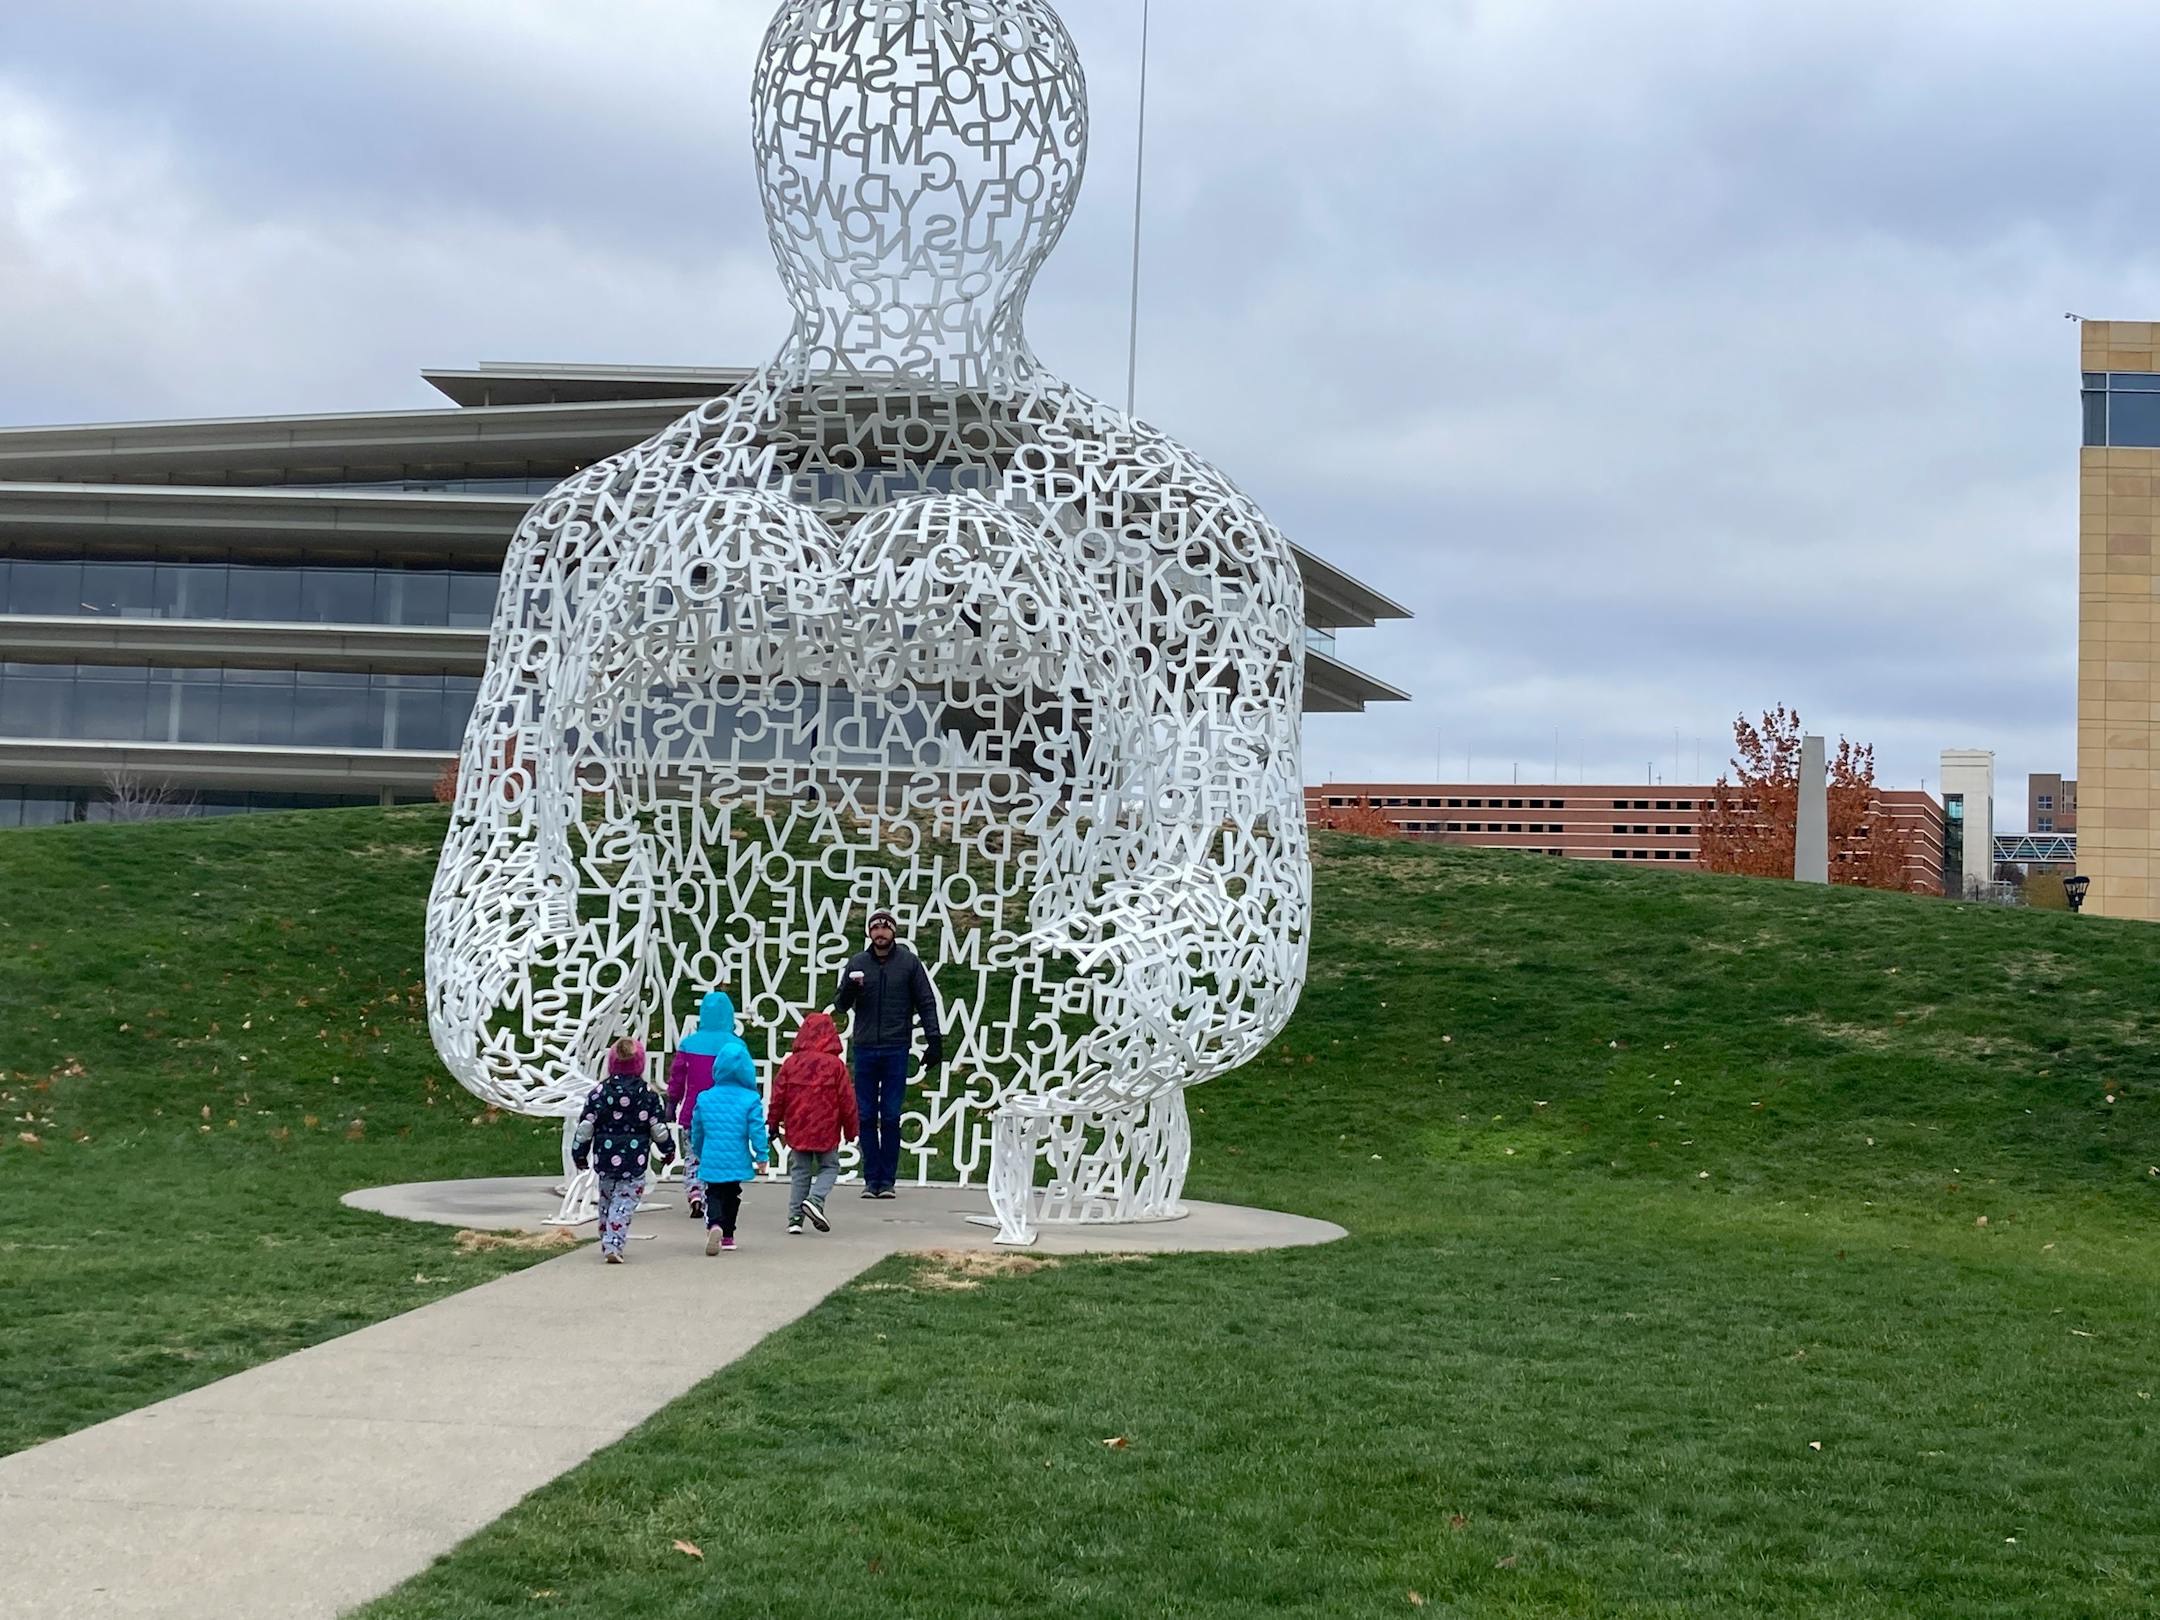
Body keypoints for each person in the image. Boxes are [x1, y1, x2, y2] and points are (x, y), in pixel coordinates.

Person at [830, 907, 942, 1199]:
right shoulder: (858, 963)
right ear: (870, 933)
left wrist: (934, 1039)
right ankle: (871, 1180)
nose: (880, 933)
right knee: (866, 1115)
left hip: (896, 1047)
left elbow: (926, 1001)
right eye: (875, 928)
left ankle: (887, 1180)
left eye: (885, 927)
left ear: (893, 931)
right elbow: (840, 1005)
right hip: (865, 1046)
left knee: (891, 1115)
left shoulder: (909, 963)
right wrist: (851, 989)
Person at [571, 1037, 674, 1264]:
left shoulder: (599, 1093)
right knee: (624, 1201)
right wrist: (668, 1150)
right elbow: (658, 1128)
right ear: (640, 1064)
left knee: (607, 1200)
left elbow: (586, 1127)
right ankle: (613, 1242)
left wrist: (579, 1153)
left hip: (605, 1157)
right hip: (634, 1160)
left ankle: (606, 1235)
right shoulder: (648, 1094)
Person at [667, 990, 756, 1221]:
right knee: (716, 1156)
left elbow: (677, 1077)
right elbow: (746, 1076)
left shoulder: (688, 1044)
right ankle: (713, 1197)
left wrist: (672, 1101)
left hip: (694, 1110)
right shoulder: (736, 1045)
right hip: (729, 1113)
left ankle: (695, 1193)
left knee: (693, 1155)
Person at [769, 1011, 859, 1235]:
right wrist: (851, 1130)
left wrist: (773, 1124)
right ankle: (815, 1199)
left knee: (800, 1171)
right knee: (830, 1166)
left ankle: (795, 1219)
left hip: (798, 1125)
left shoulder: (791, 1063)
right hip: (826, 1127)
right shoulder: (835, 1066)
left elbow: (778, 1096)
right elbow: (847, 1100)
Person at [689, 1036, 769, 1255]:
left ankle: (714, 1223)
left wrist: (699, 1150)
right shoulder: (750, 1099)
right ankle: (728, 1236)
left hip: (712, 1156)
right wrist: (761, 1155)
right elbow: (756, 1129)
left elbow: (697, 1129)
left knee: (713, 1193)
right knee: (733, 1195)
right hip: (737, 1157)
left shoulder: (705, 1098)